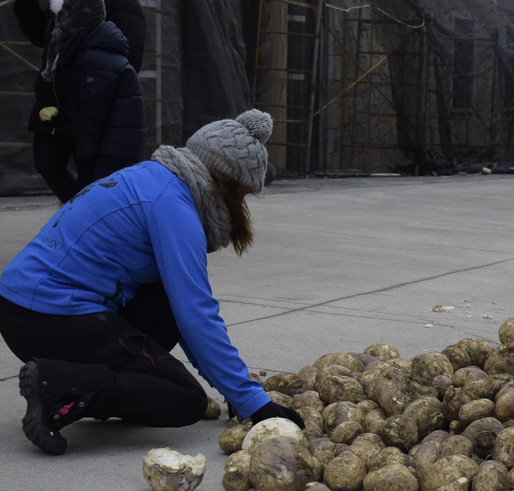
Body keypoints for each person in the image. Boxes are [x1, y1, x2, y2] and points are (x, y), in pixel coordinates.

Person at [0, 109, 306, 456]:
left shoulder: (152, 178)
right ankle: (56, 386)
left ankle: (82, 379)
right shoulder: (173, 207)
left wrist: (234, 390)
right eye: (244, 194)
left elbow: (180, 310)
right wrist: (256, 404)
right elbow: (197, 314)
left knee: (163, 298)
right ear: (226, 182)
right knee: (184, 400)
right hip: (49, 318)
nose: (242, 204)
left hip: (24, 308)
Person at [14, 0, 147, 203]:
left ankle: (86, 220)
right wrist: (26, 6)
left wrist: (87, 72)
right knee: (47, 163)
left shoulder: (123, 4)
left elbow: (129, 56)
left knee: (91, 174)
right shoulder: (61, 3)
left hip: (93, 102)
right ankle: (79, 214)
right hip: (56, 100)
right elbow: (42, 35)